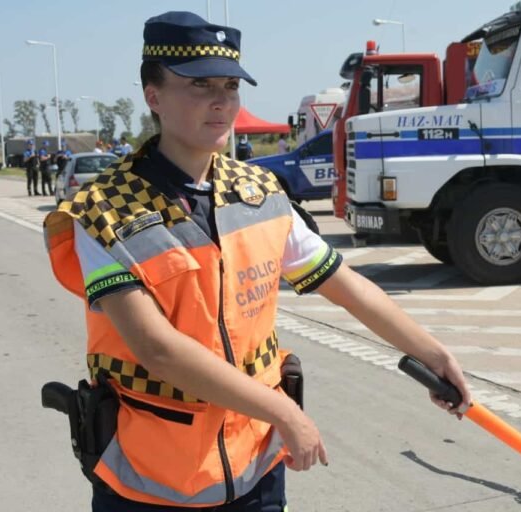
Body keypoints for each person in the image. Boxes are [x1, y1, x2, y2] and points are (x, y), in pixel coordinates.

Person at [43, 11, 470, 512]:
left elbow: (345, 284)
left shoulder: (260, 193)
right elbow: (156, 349)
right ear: (153, 95)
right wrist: (285, 414)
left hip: (254, 471)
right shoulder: (102, 211)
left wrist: (433, 355)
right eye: (199, 84)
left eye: (230, 84)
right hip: (150, 480)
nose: (221, 100)